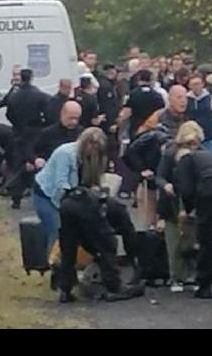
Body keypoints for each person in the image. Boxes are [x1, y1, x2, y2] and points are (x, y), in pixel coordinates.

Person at [53, 128, 145, 303]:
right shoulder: (68, 154)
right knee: (107, 242)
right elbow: (61, 184)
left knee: (69, 247)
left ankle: (65, 288)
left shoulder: (79, 155)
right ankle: (115, 285)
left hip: (69, 204)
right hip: (81, 202)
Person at [155, 121, 212, 299]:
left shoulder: (199, 155)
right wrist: (167, 186)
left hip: (195, 197)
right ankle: (177, 277)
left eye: (195, 143)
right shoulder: (171, 154)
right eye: (189, 143)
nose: (192, 147)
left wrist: (190, 207)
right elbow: (160, 176)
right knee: (175, 241)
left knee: (195, 239)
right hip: (175, 199)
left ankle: (193, 276)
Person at [32, 101, 83, 251]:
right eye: (70, 118)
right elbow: (34, 150)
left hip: (71, 185)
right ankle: (51, 264)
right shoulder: (48, 133)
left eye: (76, 118)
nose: (73, 122)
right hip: (49, 187)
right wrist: (35, 159)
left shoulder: (82, 134)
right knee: (56, 229)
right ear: (62, 114)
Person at [3, 69, 51, 209]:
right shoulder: (39, 95)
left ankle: (16, 198)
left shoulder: (14, 96)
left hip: (18, 133)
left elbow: (8, 114)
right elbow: (47, 112)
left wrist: (17, 125)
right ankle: (40, 194)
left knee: (17, 165)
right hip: (35, 132)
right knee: (37, 162)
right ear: (31, 78)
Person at [120, 70, 166, 141]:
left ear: (138, 79)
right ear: (151, 79)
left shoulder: (131, 94)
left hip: (136, 130)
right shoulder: (158, 96)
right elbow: (162, 113)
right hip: (153, 130)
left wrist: (119, 123)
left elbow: (126, 113)